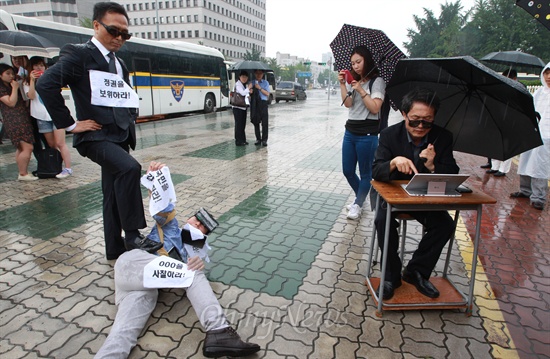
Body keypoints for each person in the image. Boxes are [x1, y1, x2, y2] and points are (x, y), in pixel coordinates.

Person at [95, 162, 261, 359]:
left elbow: (182, 276)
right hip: (132, 263)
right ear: (187, 220)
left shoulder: (190, 255)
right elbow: (162, 206)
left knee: (122, 335)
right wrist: (156, 180)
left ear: (203, 237)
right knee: (193, 275)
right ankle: (219, 330)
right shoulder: (172, 227)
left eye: (201, 228)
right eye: (195, 220)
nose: (196, 225)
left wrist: (197, 262)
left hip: (143, 289)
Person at [36, 2, 161, 259]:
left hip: (119, 136)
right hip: (94, 136)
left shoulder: (119, 63)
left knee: (112, 195)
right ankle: (133, 235)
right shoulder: (80, 54)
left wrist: (130, 118)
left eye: (125, 34)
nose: (119, 38)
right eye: (113, 31)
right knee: (129, 168)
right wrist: (70, 124)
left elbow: (124, 96)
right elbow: (46, 84)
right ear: (96, 25)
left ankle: (114, 250)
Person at [372, 88, 460, 300]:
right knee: (383, 221)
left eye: (427, 121)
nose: (421, 126)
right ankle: (391, 276)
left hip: (422, 195)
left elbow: (453, 173)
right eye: (415, 120)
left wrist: (432, 165)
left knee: (445, 225)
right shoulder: (388, 134)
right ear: (404, 114)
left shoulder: (443, 137)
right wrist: (393, 163)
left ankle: (417, 271)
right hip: (389, 194)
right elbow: (376, 171)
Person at [338, 45, 386, 220]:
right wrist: (343, 84)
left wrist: (360, 89)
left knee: (366, 173)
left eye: (358, 61)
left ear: (367, 60)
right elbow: (348, 104)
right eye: (353, 63)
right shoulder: (355, 81)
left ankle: (358, 204)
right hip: (350, 131)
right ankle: (361, 198)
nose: (355, 66)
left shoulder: (377, 82)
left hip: (367, 134)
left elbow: (375, 108)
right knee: (348, 170)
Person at [24, 56, 73, 179]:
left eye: (41, 65)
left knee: (60, 143)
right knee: (51, 144)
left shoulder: (51, 79)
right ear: (31, 67)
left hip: (56, 115)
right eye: (35, 65)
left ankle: (68, 168)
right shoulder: (27, 82)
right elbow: (31, 96)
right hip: (41, 116)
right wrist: (32, 80)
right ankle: (56, 166)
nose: (39, 68)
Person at [510, 63, 550, 210]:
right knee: (525, 161)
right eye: (546, 73)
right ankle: (525, 190)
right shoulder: (539, 92)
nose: (549, 77)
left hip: (547, 137)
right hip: (533, 131)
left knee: (540, 165)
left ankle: (539, 197)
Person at [0, 63, 37, 181]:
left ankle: (23, 172)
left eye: (12, 73)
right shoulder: (2, 88)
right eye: (7, 73)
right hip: (14, 121)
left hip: (22, 118)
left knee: (21, 148)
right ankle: (23, 174)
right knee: (28, 147)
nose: (11, 76)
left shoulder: (11, 85)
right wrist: (15, 88)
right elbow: (11, 102)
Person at [486, 69, 522, 177]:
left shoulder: (519, 89)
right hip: (500, 119)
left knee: (507, 146)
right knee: (496, 144)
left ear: (514, 78)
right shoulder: (501, 88)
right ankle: (494, 166)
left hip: (511, 121)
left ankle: (503, 169)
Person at [250, 69, 270, 146]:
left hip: (263, 103)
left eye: (260, 73)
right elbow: (248, 91)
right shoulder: (252, 82)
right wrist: (250, 90)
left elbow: (267, 93)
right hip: (255, 104)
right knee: (256, 122)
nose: (258, 75)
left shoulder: (265, 83)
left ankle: (264, 140)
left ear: (263, 74)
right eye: (257, 73)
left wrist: (259, 88)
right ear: (255, 73)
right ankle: (258, 139)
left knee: (265, 123)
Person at [232, 70, 251, 146]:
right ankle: (238, 140)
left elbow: (245, 94)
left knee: (243, 124)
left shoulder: (243, 85)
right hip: (237, 107)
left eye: (246, 77)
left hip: (243, 107)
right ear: (239, 77)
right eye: (243, 77)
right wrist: (248, 88)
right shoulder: (238, 84)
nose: (244, 78)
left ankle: (243, 140)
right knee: (238, 124)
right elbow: (242, 93)